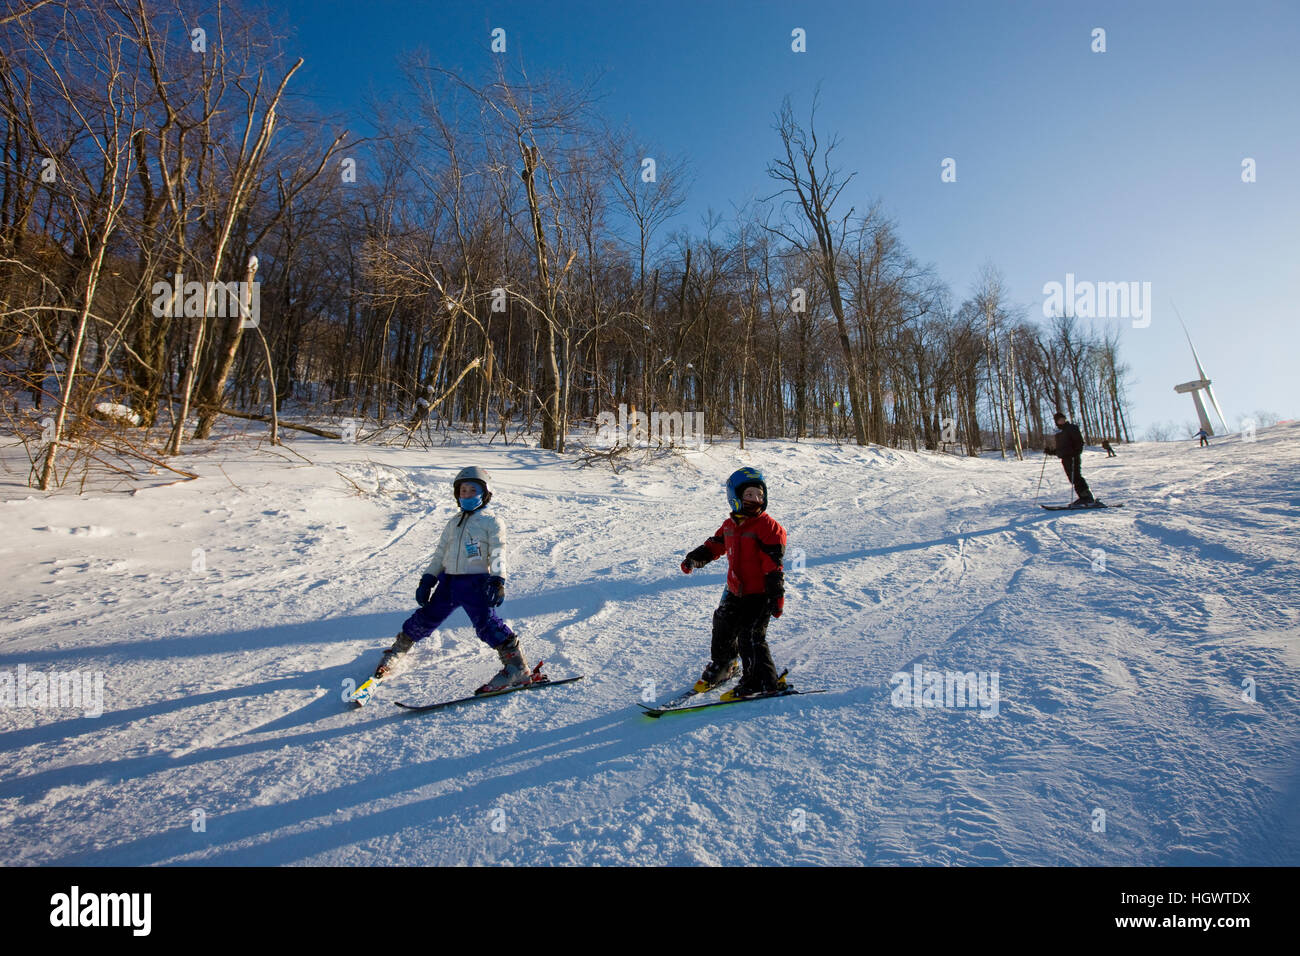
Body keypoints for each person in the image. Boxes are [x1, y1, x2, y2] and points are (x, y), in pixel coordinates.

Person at [373, 466, 532, 694]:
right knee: (426, 617)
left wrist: (498, 580)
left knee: (487, 624)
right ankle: (399, 649)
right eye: (462, 491)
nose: (466, 495)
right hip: (448, 582)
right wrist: (427, 580)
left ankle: (517, 668)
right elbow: (440, 554)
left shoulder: (491, 522)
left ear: (485, 493)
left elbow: (498, 552)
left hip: (476, 583)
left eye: (472, 490)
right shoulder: (453, 523)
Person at [679, 467, 787, 700]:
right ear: (735, 497)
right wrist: (694, 559)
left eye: (759, 495)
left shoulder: (769, 528)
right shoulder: (730, 526)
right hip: (735, 590)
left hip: (760, 594)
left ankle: (762, 680)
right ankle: (724, 665)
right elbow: (714, 546)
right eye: (749, 495)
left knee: (751, 636)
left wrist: (776, 598)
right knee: (723, 626)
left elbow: (773, 567)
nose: (755, 500)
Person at [1045, 412, 1095, 506]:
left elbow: (1079, 442)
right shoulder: (1059, 433)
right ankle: (1083, 497)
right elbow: (1062, 448)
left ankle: (1086, 497)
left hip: (1073, 456)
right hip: (1065, 458)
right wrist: (1051, 451)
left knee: (1076, 476)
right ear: (1056, 422)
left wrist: (1076, 452)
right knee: (1072, 478)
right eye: (1059, 420)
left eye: (1063, 419)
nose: (1062, 421)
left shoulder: (1071, 428)